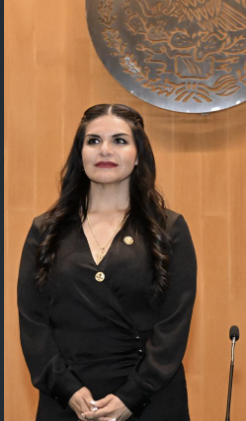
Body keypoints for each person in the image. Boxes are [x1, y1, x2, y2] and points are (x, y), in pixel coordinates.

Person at [18, 104, 197, 421]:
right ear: (80, 154)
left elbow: (173, 326)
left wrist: (132, 397)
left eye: (119, 140)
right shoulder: (45, 230)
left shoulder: (169, 229)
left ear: (139, 155)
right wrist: (67, 390)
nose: (105, 150)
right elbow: (33, 323)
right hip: (67, 401)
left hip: (150, 400)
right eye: (93, 141)